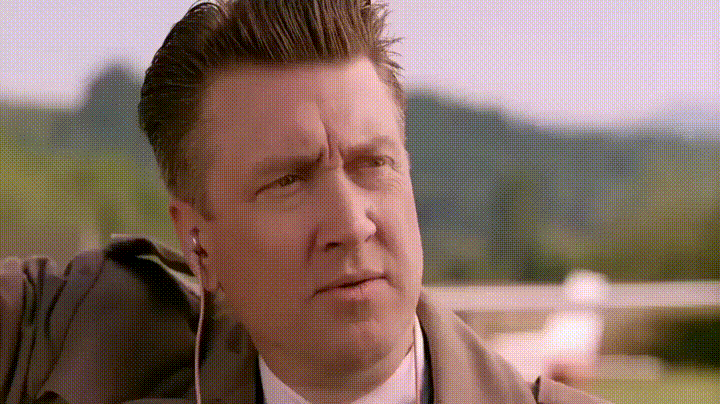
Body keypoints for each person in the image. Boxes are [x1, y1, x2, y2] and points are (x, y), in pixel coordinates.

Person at [0, 1, 611, 403]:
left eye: (373, 164)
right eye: (289, 181)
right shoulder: (79, 340)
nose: (351, 224)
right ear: (199, 242)